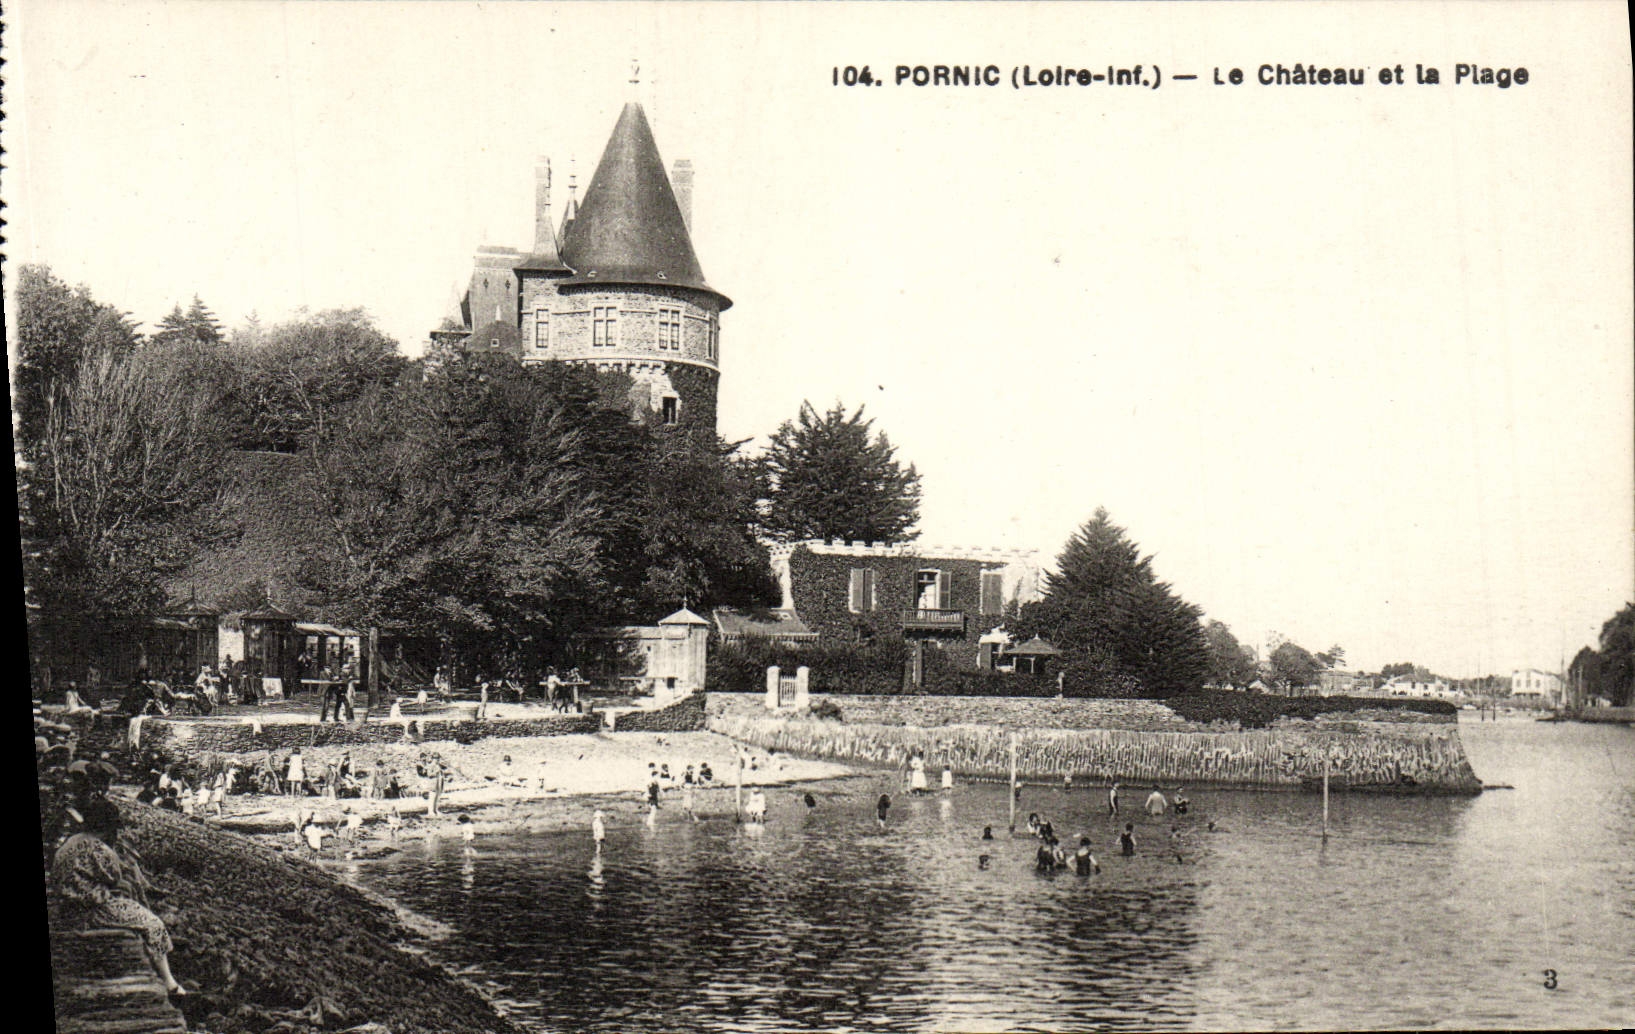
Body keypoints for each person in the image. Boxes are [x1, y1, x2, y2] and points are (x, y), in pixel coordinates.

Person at [52, 834, 185, 997]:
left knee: (132, 904)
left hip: (66, 907)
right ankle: (170, 983)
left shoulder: (70, 842)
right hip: (92, 909)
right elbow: (114, 877)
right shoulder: (98, 847)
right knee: (153, 924)